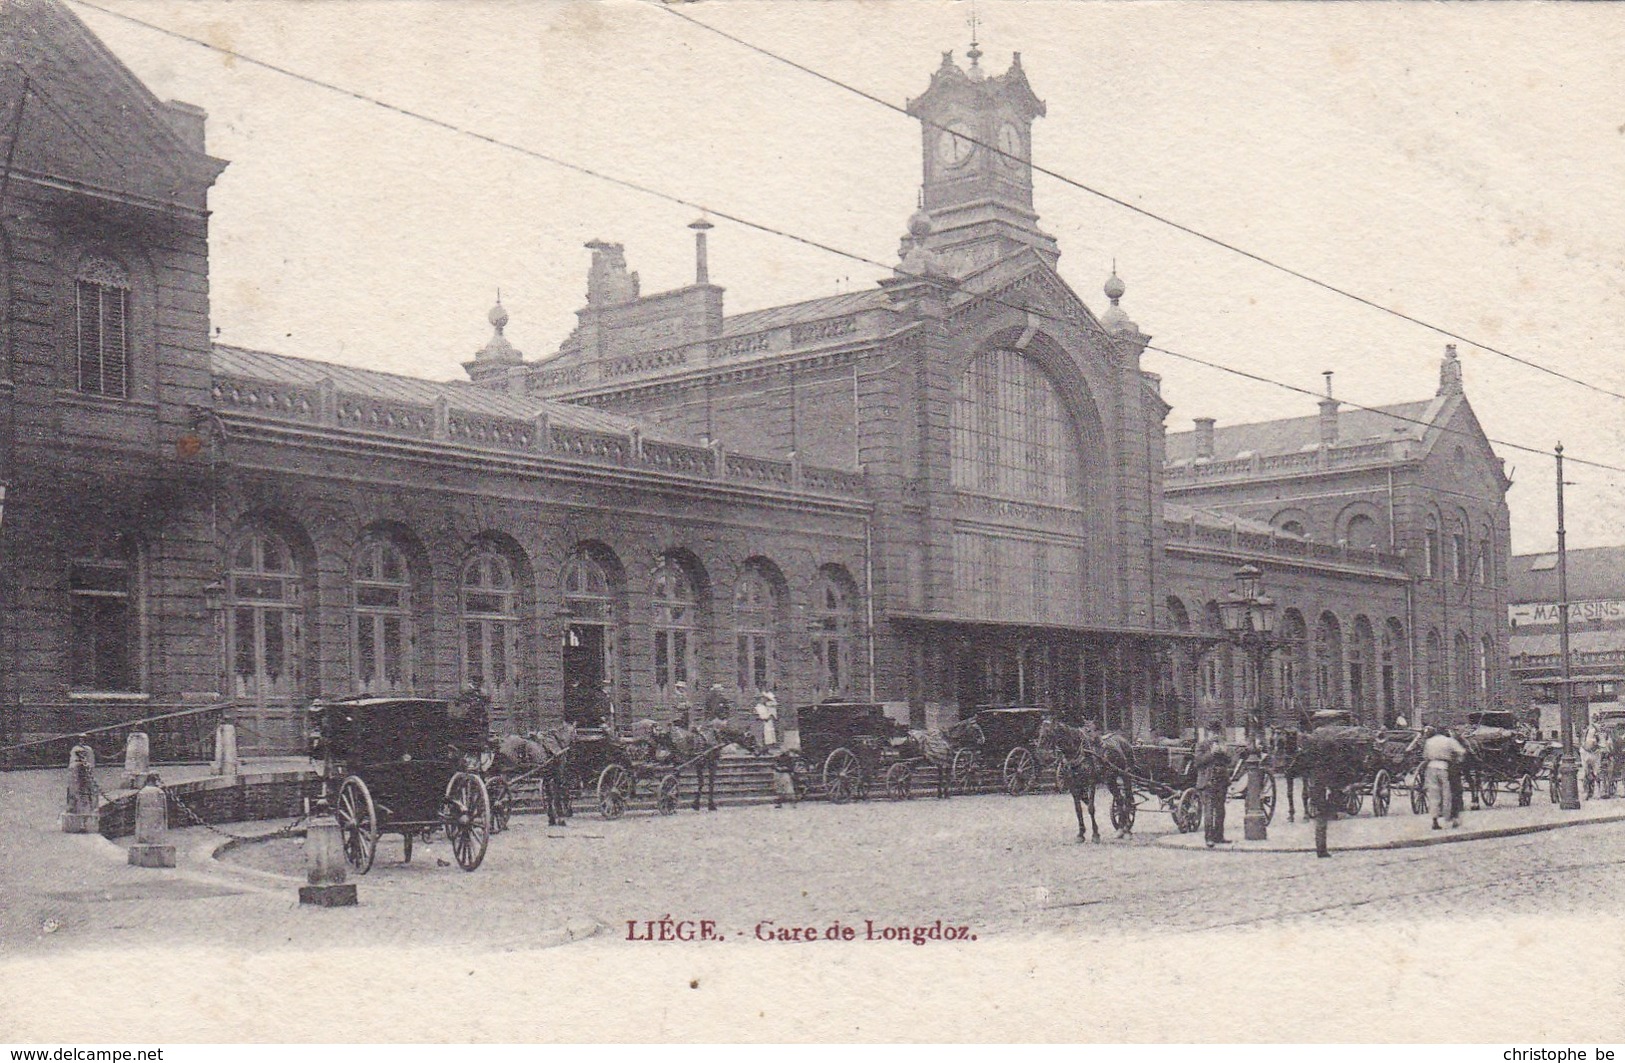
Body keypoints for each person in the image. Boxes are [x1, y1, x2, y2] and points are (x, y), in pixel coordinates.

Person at [1193, 722, 1232, 848]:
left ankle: (1219, 836)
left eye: (1217, 733)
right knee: (1209, 811)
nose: (1215, 735)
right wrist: (1211, 754)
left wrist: (1225, 753)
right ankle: (1209, 838)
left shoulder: (1223, 745)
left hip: (1221, 781)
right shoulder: (1202, 745)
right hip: (1207, 781)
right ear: (1208, 733)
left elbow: (1229, 761)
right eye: (1212, 732)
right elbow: (1198, 762)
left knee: (1220, 810)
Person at [1423, 725, 1467, 829]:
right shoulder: (1449, 741)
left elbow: (1425, 756)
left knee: (1434, 794)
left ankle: (1434, 820)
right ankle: (1449, 819)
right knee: (1447, 793)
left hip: (1431, 767)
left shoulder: (1429, 741)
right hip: (1444, 767)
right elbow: (1462, 752)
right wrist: (1458, 761)